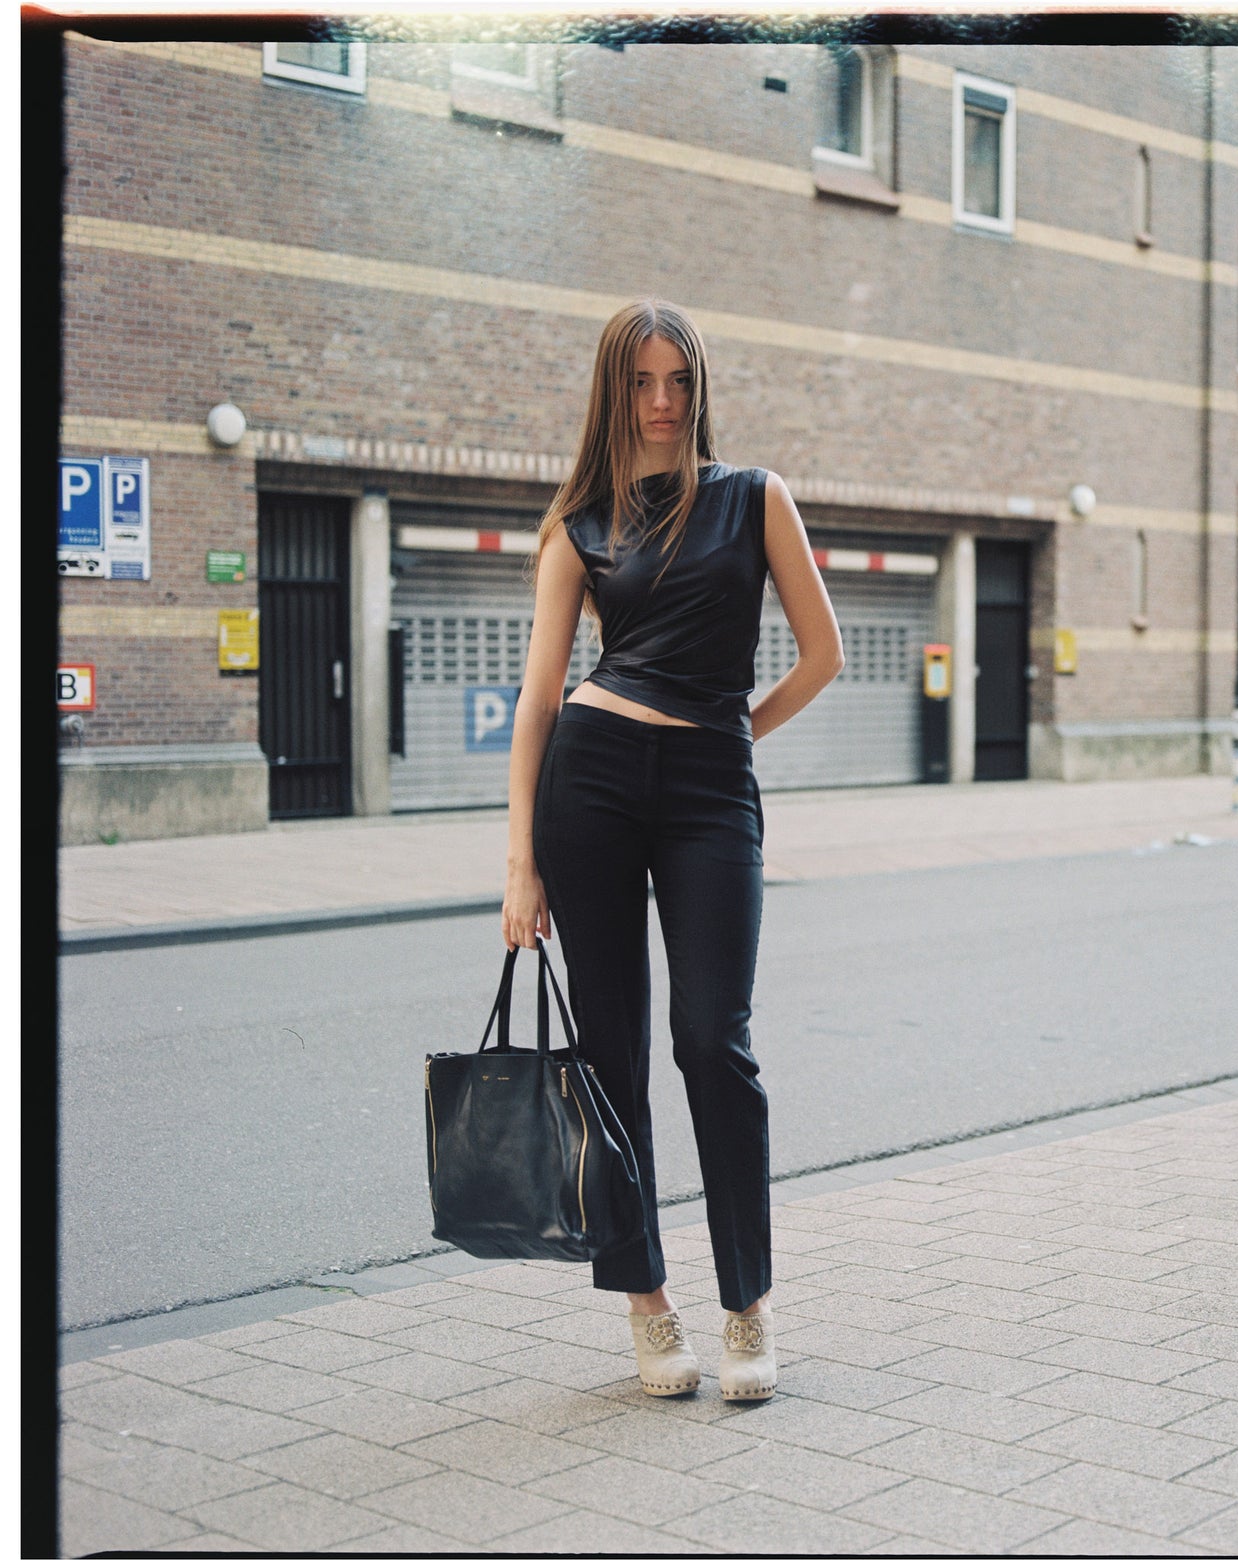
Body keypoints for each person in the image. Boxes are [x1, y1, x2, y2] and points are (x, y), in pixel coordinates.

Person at [501, 299, 844, 1401]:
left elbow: (821, 652)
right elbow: (538, 697)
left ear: (699, 387)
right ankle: (647, 1305)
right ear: (615, 390)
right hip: (588, 786)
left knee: (713, 1042)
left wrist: (737, 729)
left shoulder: (754, 499)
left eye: (679, 381)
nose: (661, 402)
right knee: (611, 1056)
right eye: (643, 382)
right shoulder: (579, 524)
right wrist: (520, 863)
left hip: (707, 792)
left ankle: (747, 1309)